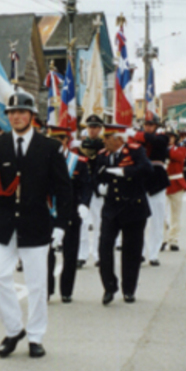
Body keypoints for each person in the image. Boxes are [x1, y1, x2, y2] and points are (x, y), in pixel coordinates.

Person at [0, 90, 72, 358]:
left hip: (36, 224)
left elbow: (63, 190)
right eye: (12, 112)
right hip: (2, 224)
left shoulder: (50, 147)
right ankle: (13, 328)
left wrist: (61, 225)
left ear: (32, 116)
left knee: (37, 284)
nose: (16, 116)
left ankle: (36, 336)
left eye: (21, 112)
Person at [96, 124, 152, 305]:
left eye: (107, 137)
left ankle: (129, 289)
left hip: (133, 207)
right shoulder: (102, 155)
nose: (104, 141)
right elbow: (95, 176)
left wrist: (123, 172)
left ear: (118, 139)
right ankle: (109, 287)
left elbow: (147, 169)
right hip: (111, 208)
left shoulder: (135, 151)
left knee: (131, 251)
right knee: (104, 247)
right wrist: (99, 187)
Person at [46, 125, 91, 303]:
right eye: (52, 140)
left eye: (59, 139)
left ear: (66, 140)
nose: (56, 143)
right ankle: (47, 289)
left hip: (71, 212)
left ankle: (66, 290)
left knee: (70, 253)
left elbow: (86, 186)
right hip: (49, 211)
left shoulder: (79, 161)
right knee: (46, 254)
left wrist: (84, 204)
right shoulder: (43, 160)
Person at [134, 115, 169, 266]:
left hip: (157, 181)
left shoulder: (162, 138)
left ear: (156, 126)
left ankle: (154, 254)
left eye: (151, 125)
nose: (148, 127)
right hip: (140, 180)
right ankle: (140, 253)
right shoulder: (137, 140)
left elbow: (155, 141)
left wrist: (136, 134)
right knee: (139, 220)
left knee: (157, 220)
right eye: (146, 124)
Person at [78, 114, 105, 268]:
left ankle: (97, 255)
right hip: (83, 188)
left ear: (100, 129)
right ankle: (82, 255)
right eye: (90, 127)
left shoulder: (104, 145)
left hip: (98, 189)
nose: (92, 130)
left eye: (95, 127)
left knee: (99, 223)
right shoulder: (81, 146)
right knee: (82, 222)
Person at [163, 131, 186, 252]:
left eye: (171, 138)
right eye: (166, 138)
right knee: (161, 215)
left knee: (175, 215)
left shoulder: (181, 149)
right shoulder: (159, 149)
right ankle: (162, 239)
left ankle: (173, 240)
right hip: (162, 185)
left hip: (176, 183)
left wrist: (166, 149)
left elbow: (178, 157)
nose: (169, 139)